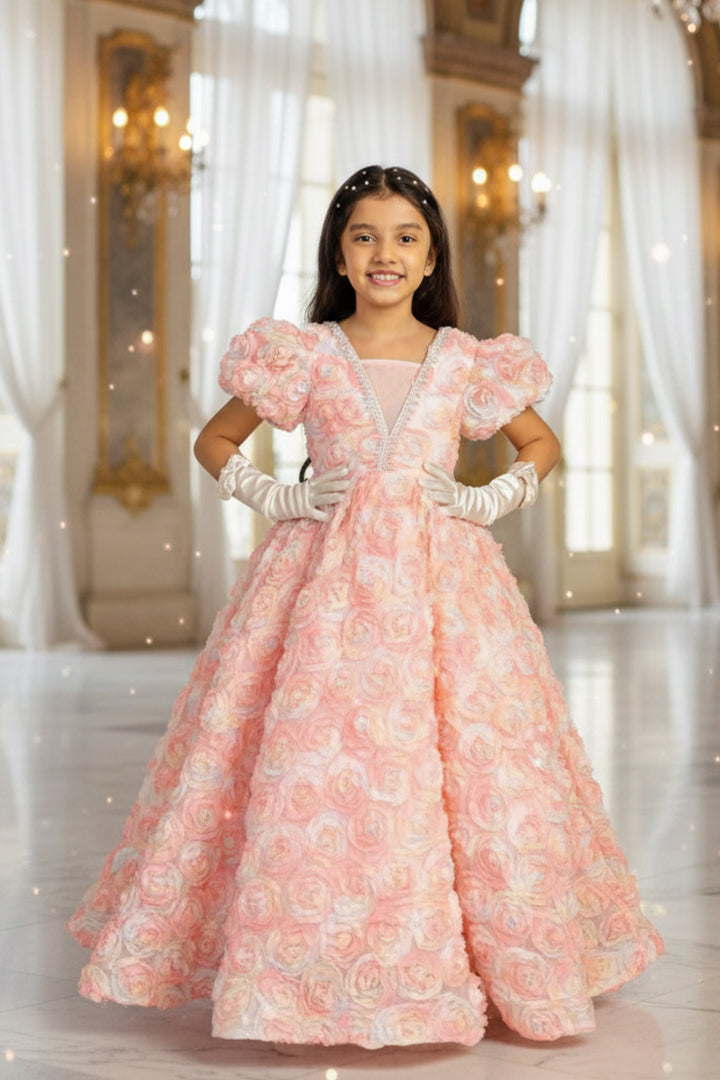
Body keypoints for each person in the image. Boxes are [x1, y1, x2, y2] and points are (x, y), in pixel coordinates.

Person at [67, 165, 663, 1049]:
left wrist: (485, 499)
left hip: (443, 585)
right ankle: (305, 971)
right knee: (317, 757)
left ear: (431, 258)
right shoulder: (306, 353)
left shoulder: (464, 359)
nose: (386, 253)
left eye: (405, 237)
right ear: (340, 256)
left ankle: (486, 955)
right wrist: (279, 496)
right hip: (322, 589)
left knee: (468, 758)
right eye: (365, 236)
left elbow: (540, 443)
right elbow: (214, 439)